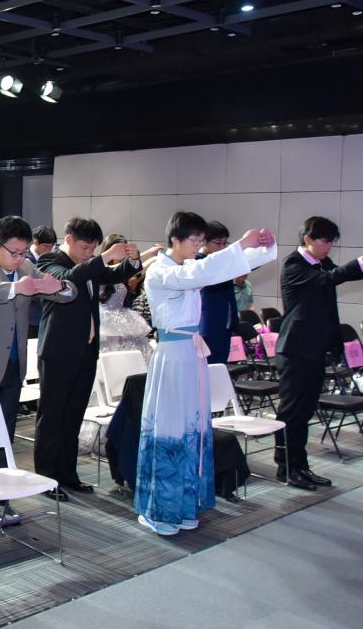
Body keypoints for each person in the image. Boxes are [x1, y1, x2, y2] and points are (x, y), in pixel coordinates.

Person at [135, 212, 277, 536]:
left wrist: (259, 249)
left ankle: (185, 506)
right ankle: (159, 510)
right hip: (172, 355)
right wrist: (242, 245)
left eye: (202, 240)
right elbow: (202, 271)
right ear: (175, 239)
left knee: (192, 427)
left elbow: (218, 268)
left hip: (191, 353)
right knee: (170, 429)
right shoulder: (160, 270)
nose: (199, 245)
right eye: (194, 240)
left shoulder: (188, 267)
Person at [0, 216, 74, 526]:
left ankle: (1, 499)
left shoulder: (27, 269)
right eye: (14, 252)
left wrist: (60, 286)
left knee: (3, 436)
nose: (20, 258)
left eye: (24, 252)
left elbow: (66, 294)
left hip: (13, 366)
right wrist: (13, 288)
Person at [274, 217, 363, 491]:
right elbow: (331, 278)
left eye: (331, 241)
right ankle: (286, 468)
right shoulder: (294, 264)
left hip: (315, 348)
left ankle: (300, 466)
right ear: (308, 238)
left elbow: (345, 273)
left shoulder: (320, 262)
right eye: (325, 241)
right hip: (295, 349)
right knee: (292, 412)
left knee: (305, 411)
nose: (329, 246)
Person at [35, 218, 139, 497]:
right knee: (52, 417)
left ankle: (68, 475)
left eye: (93, 248)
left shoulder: (89, 264)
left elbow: (112, 275)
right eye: (84, 247)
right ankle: (46, 479)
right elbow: (70, 278)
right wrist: (103, 257)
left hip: (86, 351)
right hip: (58, 352)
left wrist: (133, 261)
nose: (89, 253)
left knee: (73, 416)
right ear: (68, 240)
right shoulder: (49, 261)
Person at [97, 234, 160, 361]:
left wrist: (153, 256)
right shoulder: (102, 270)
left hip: (121, 320)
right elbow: (117, 268)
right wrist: (149, 253)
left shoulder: (124, 271)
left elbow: (138, 268)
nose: (125, 253)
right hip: (105, 322)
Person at [197, 222, 239, 365]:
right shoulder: (198, 262)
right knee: (207, 367)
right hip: (207, 324)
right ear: (204, 241)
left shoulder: (222, 261)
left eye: (225, 243)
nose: (222, 247)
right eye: (218, 243)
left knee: (220, 367)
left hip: (225, 324)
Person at [27, 226, 57, 338]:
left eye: (51, 247)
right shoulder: (25, 260)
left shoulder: (54, 258)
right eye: (45, 246)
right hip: (31, 317)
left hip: (48, 316)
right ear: (36, 242)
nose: (48, 250)